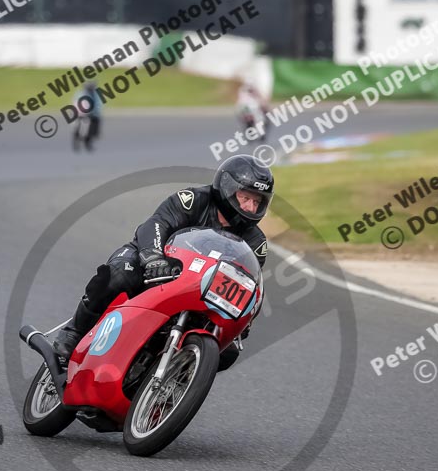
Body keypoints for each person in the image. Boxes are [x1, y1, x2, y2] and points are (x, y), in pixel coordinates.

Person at [53, 155, 274, 370]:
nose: (250, 208)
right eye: (245, 197)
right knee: (118, 275)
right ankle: (74, 332)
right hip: (158, 264)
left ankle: (179, 379)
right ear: (227, 188)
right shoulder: (192, 200)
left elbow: (250, 283)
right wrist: (153, 257)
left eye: (257, 201)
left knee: (226, 352)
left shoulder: (255, 242)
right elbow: (157, 223)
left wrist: (244, 319)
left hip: (198, 291)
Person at [72, 82, 102, 151]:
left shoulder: (95, 94)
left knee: (91, 130)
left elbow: (98, 105)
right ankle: (76, 142)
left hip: (92, 115)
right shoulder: (81, 94)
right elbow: (77, 104)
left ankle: (87, 142)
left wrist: (96, 113)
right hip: (81, 114)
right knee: (79, 128)